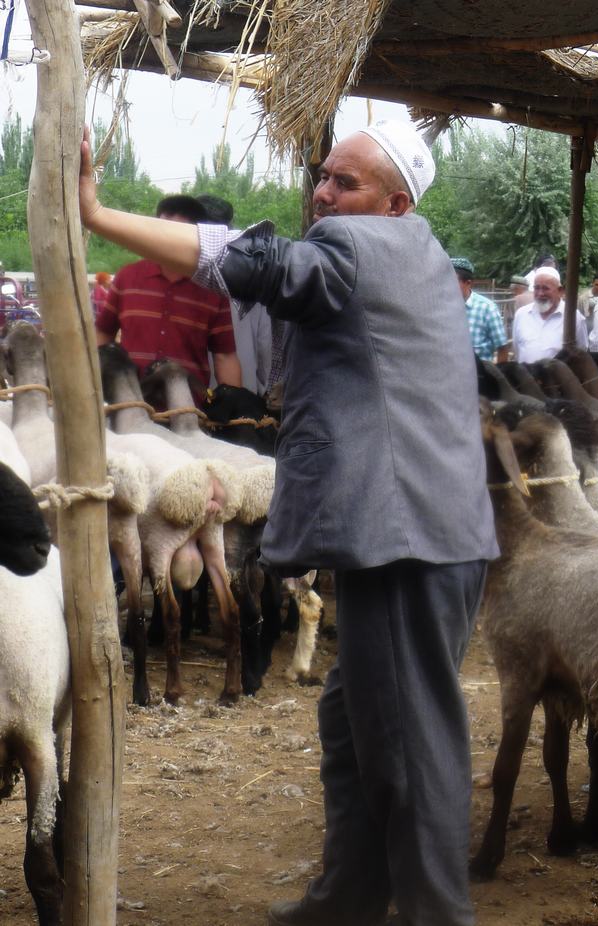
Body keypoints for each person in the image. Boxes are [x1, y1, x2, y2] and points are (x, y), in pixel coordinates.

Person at [78, 120, 497, 926]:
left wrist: (98, 216)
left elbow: (258, 263)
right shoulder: (417, 253)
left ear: (395, 202)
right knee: (353, 723)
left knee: (408, 745)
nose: (324, 194)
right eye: (325, 177)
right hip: (422, 531)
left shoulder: (361, 248)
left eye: (348, 184)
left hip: (406, 538)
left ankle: (438, 915)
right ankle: (347, 896)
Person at [95, 193, 242, 402]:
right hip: (128, 411)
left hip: (189, 415)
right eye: (161, 231)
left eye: (175, 233)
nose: (166, 240)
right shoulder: (127, 278)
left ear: (196, 237)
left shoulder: (212, 289)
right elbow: (102, 333)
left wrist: (235, 406)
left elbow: (225, 356)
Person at [197, 194, 276, 396]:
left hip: (193, 398)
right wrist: (261, 386)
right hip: (244, 396)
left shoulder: (185, 273)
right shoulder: (253, 270)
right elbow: (264, 341)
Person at [511, 266, 587, 362]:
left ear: (560, 291)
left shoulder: (574, 317)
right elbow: (517, 350)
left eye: (545, 288)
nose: (540, 293)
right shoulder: (521, 314)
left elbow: (581, 352)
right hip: (526, 376)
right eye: (536, 288)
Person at [452, 257, 509, 363]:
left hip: (479, 376)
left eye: (453, 282)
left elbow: (503, 349)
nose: (447, 287)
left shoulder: (487, 309)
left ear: (468, 283)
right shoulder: (442, 308)